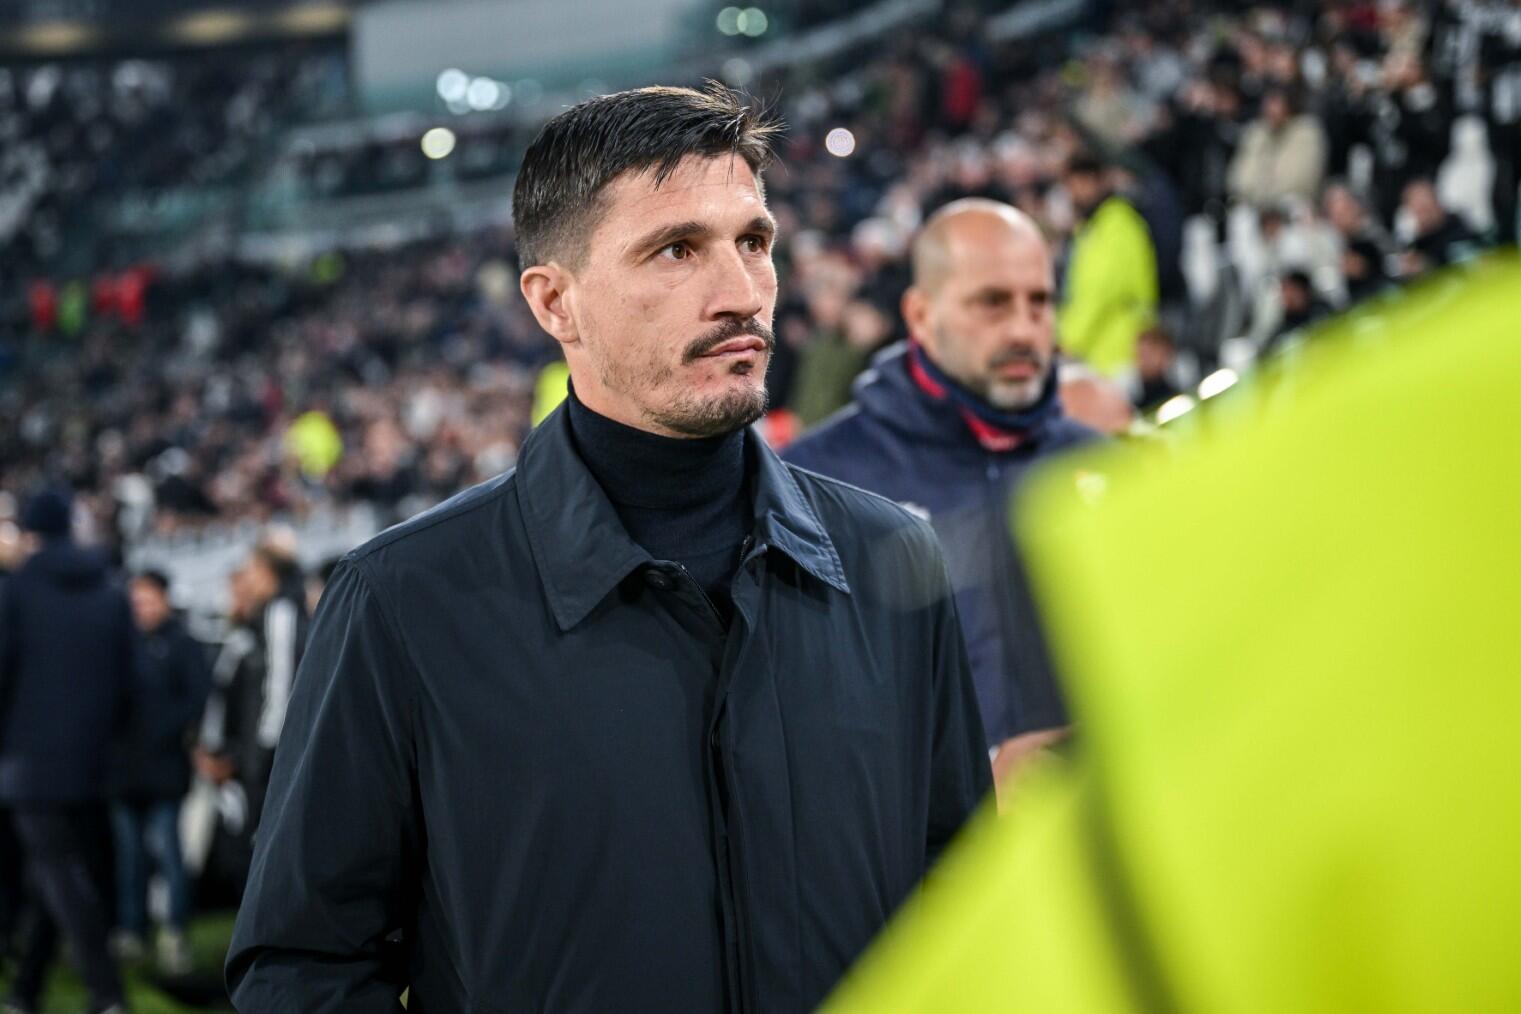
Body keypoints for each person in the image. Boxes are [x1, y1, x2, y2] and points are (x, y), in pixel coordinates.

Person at [227, 84, 991, 1012]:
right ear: (556, 303)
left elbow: (970, 904)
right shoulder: (403, 601)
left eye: (754, 242)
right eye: (677, 250)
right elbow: (302, 966)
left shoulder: (893, 560)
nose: (741, 294)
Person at [784, 200, 1099, 798]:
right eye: (992, 302)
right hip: (915, 848)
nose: (1024, 330)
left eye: (1040, 302)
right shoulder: (814, 482)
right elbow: (795, 719)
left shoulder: (1102, 466)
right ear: (921, 315)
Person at [0, 488, 129, 1014]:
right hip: (95, 763)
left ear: (31, 532)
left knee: (58, 875)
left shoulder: (16, 590)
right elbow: (131, 681)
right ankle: (26, 991)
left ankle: (107, 994)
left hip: (30, 763)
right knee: (54, 876)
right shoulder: (111, 589)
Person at [108, 569, 212, 975]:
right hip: (124, 773)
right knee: (129, 857)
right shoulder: (119, 643)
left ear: (166, 599)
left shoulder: (183, 643)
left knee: (169, 854)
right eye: (136, 601)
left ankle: (175, 931)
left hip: (165, 770)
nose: (142, 608)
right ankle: (132, 930)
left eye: (149, 599)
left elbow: (196, 699)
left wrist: (160, 732)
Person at [195, 546, 305, 902]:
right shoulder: (252, 624)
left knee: (266, 843)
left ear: (269, 573)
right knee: (248, 841)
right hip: (249, 753)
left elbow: (280, 687)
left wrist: (259, 755)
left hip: (266, 755)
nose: (246, 580)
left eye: (252, 571)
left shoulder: (280, 612)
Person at [1056, 152, 1159, 378]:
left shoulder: (1117, 225)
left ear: (1098, 181)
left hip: (1119, 352)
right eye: (1070, 186)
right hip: (1099, 351)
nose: (1074, 193)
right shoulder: (1092, 227)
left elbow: (1100, 291)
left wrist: (1068, 340)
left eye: (1081, 183)